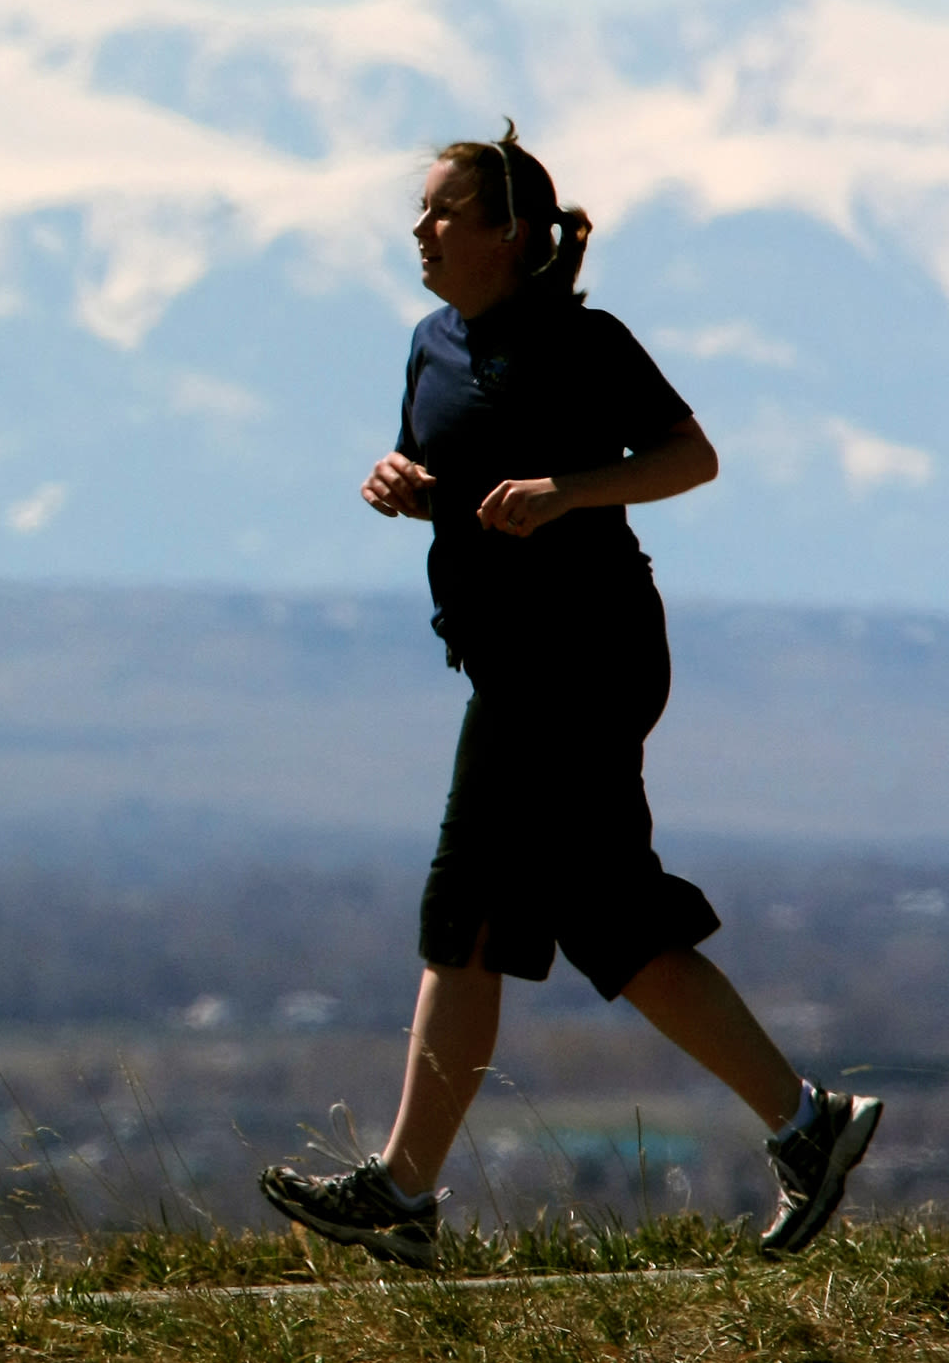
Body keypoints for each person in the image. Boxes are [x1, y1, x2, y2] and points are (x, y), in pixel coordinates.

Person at [256, 122, 877, 1269]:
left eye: (444, 212)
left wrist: (571, 491)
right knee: (585, 916)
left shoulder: (583, 340)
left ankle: (404, 1188)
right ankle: (806, 1122)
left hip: (584, 654)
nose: (421, 231)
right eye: (422, 212)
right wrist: (394, 479)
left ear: (510, 233)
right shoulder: (430, 342)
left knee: (474, 910)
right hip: (508, 660)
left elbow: (692, 457)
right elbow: (431, 461)